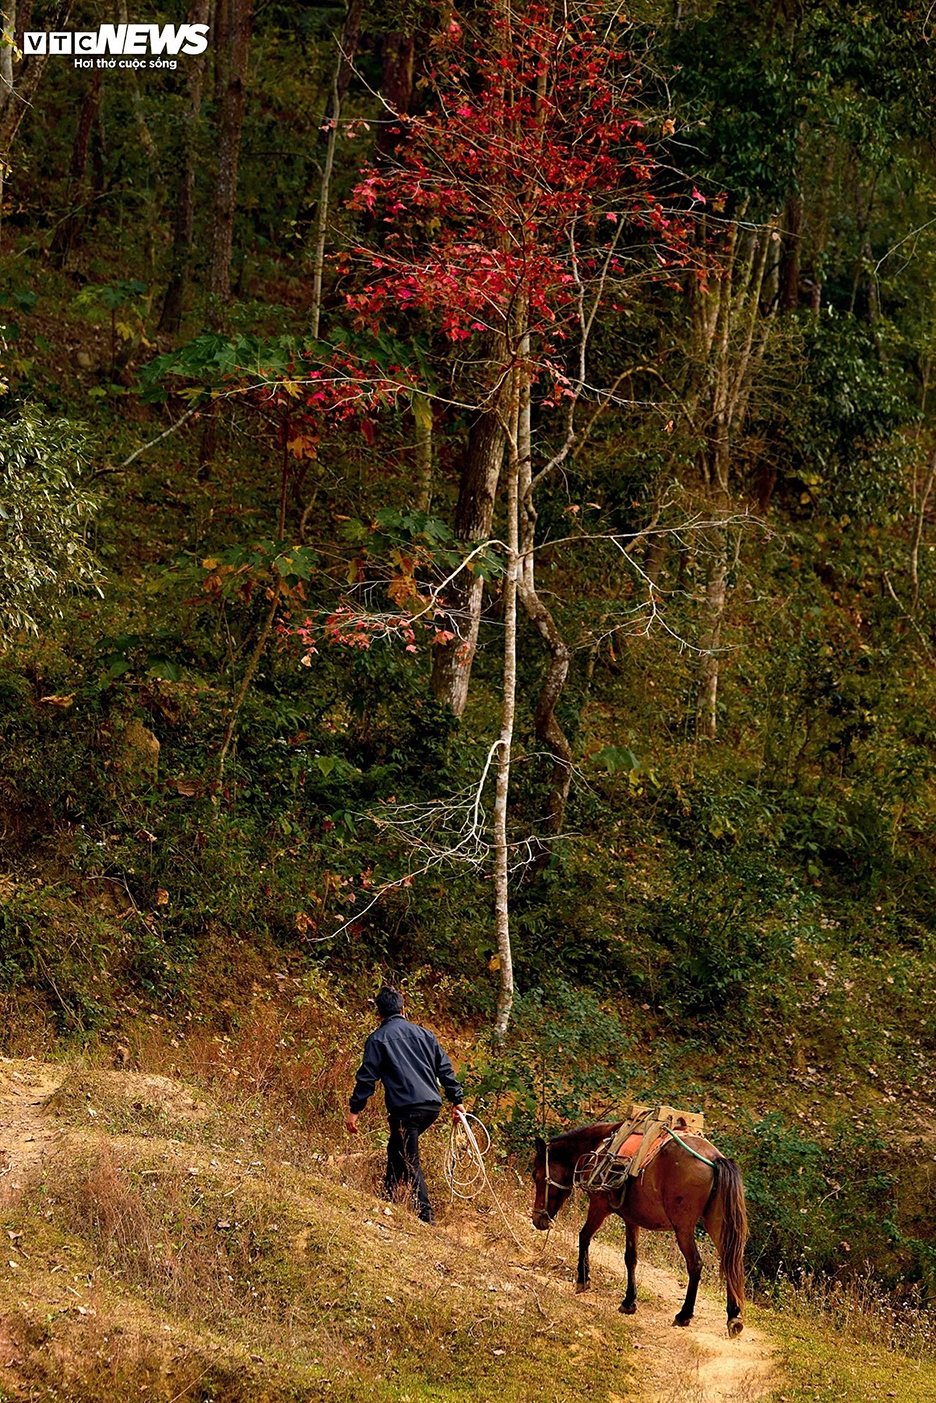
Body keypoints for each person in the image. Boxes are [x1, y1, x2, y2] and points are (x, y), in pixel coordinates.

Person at [346, 986, 464, 1224]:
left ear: (379, 1014)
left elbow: (367, 1077)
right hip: (431, 1107)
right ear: (403, 1009)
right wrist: (457, 1100)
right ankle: (387, 1198)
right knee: (396, 1149)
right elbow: (445, 1069)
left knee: (410, 1160)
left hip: (406, 1110)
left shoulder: (378, 1039)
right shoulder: (426, 1035)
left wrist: (354, 1110)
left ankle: (426, 1216)